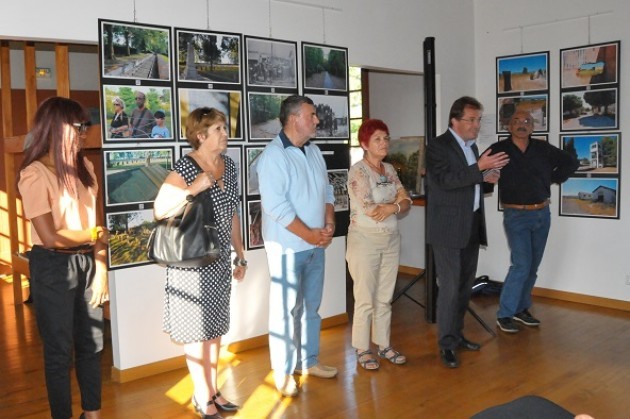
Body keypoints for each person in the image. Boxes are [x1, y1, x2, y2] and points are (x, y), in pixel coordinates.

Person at [17, 96, 110, 419]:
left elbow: (96, 226)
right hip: (52, 266)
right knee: (59, 353)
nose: (85, 132)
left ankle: (92, 414)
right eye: (79, 126)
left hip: (87, 263)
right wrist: (96, 235)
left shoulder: (86, 167)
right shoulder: (34, 173)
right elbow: (51, 236)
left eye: (86, 125)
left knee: (93, 345)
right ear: (56, 128)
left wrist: (102, 270)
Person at [153, 107, 247, 418]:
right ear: (200, 136)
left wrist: (240, 253)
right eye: (218, 129)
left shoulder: (229, 166)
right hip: (191, 264)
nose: (225, 133)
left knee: (215, 328)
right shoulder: (185, 167)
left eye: (225, 127)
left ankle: (212, 389)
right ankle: (201, 395)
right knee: (196, 333)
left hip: (219, 259)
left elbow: (231, 213)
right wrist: (194, 188)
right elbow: (160, 210)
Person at [256, 95, 337, 397]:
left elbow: (327, 189)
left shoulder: (314, 152)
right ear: (294, 119)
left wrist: (329, 221)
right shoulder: (273, 156)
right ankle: (283, 372)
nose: (317, 120)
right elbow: (277, 206)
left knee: (311, 309)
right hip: (288, 248)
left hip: (315, 245)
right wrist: (310, 234)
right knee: (284, 312)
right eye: (312, 115)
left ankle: (309, 361)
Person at [425, 96, 509, 368]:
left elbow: (467, 183)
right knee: (450, 289)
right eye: (471, 120)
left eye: (478, 120)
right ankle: (446, 345)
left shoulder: (471, 148)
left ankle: (457, 335)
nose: (476, 125)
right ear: (455, 120)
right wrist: (479, 169)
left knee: (464, 287)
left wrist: (486, 181)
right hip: (448, 229)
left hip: (471, 225)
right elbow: (445, 182)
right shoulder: (438, 146)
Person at [485, 110, 578, 334]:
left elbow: (570, 162)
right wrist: (488, 178)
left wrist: (553, 178)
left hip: (542, 214)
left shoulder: (542, 148)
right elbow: (483, 175)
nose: (521, 124)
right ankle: (505, 314)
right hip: (515, 215)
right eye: (516, 120)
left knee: (532, 267)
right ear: (509, 126)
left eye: (526, 121)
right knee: (521, 265)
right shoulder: (499, 149)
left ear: (533, 126)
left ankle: (521, 309)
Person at [346, 119, 412, 371]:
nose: (384, 143)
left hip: (391, 240)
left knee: (384, 298)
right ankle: (363, 349)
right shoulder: (358, 172)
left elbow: (405, 200)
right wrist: (392, 206)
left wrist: (393, 207)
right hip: (364, 241)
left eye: (386, 138)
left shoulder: (390, 169)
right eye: (377, 139)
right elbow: (370, 209)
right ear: (364, 144)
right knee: (364, 298)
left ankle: (383, 344)